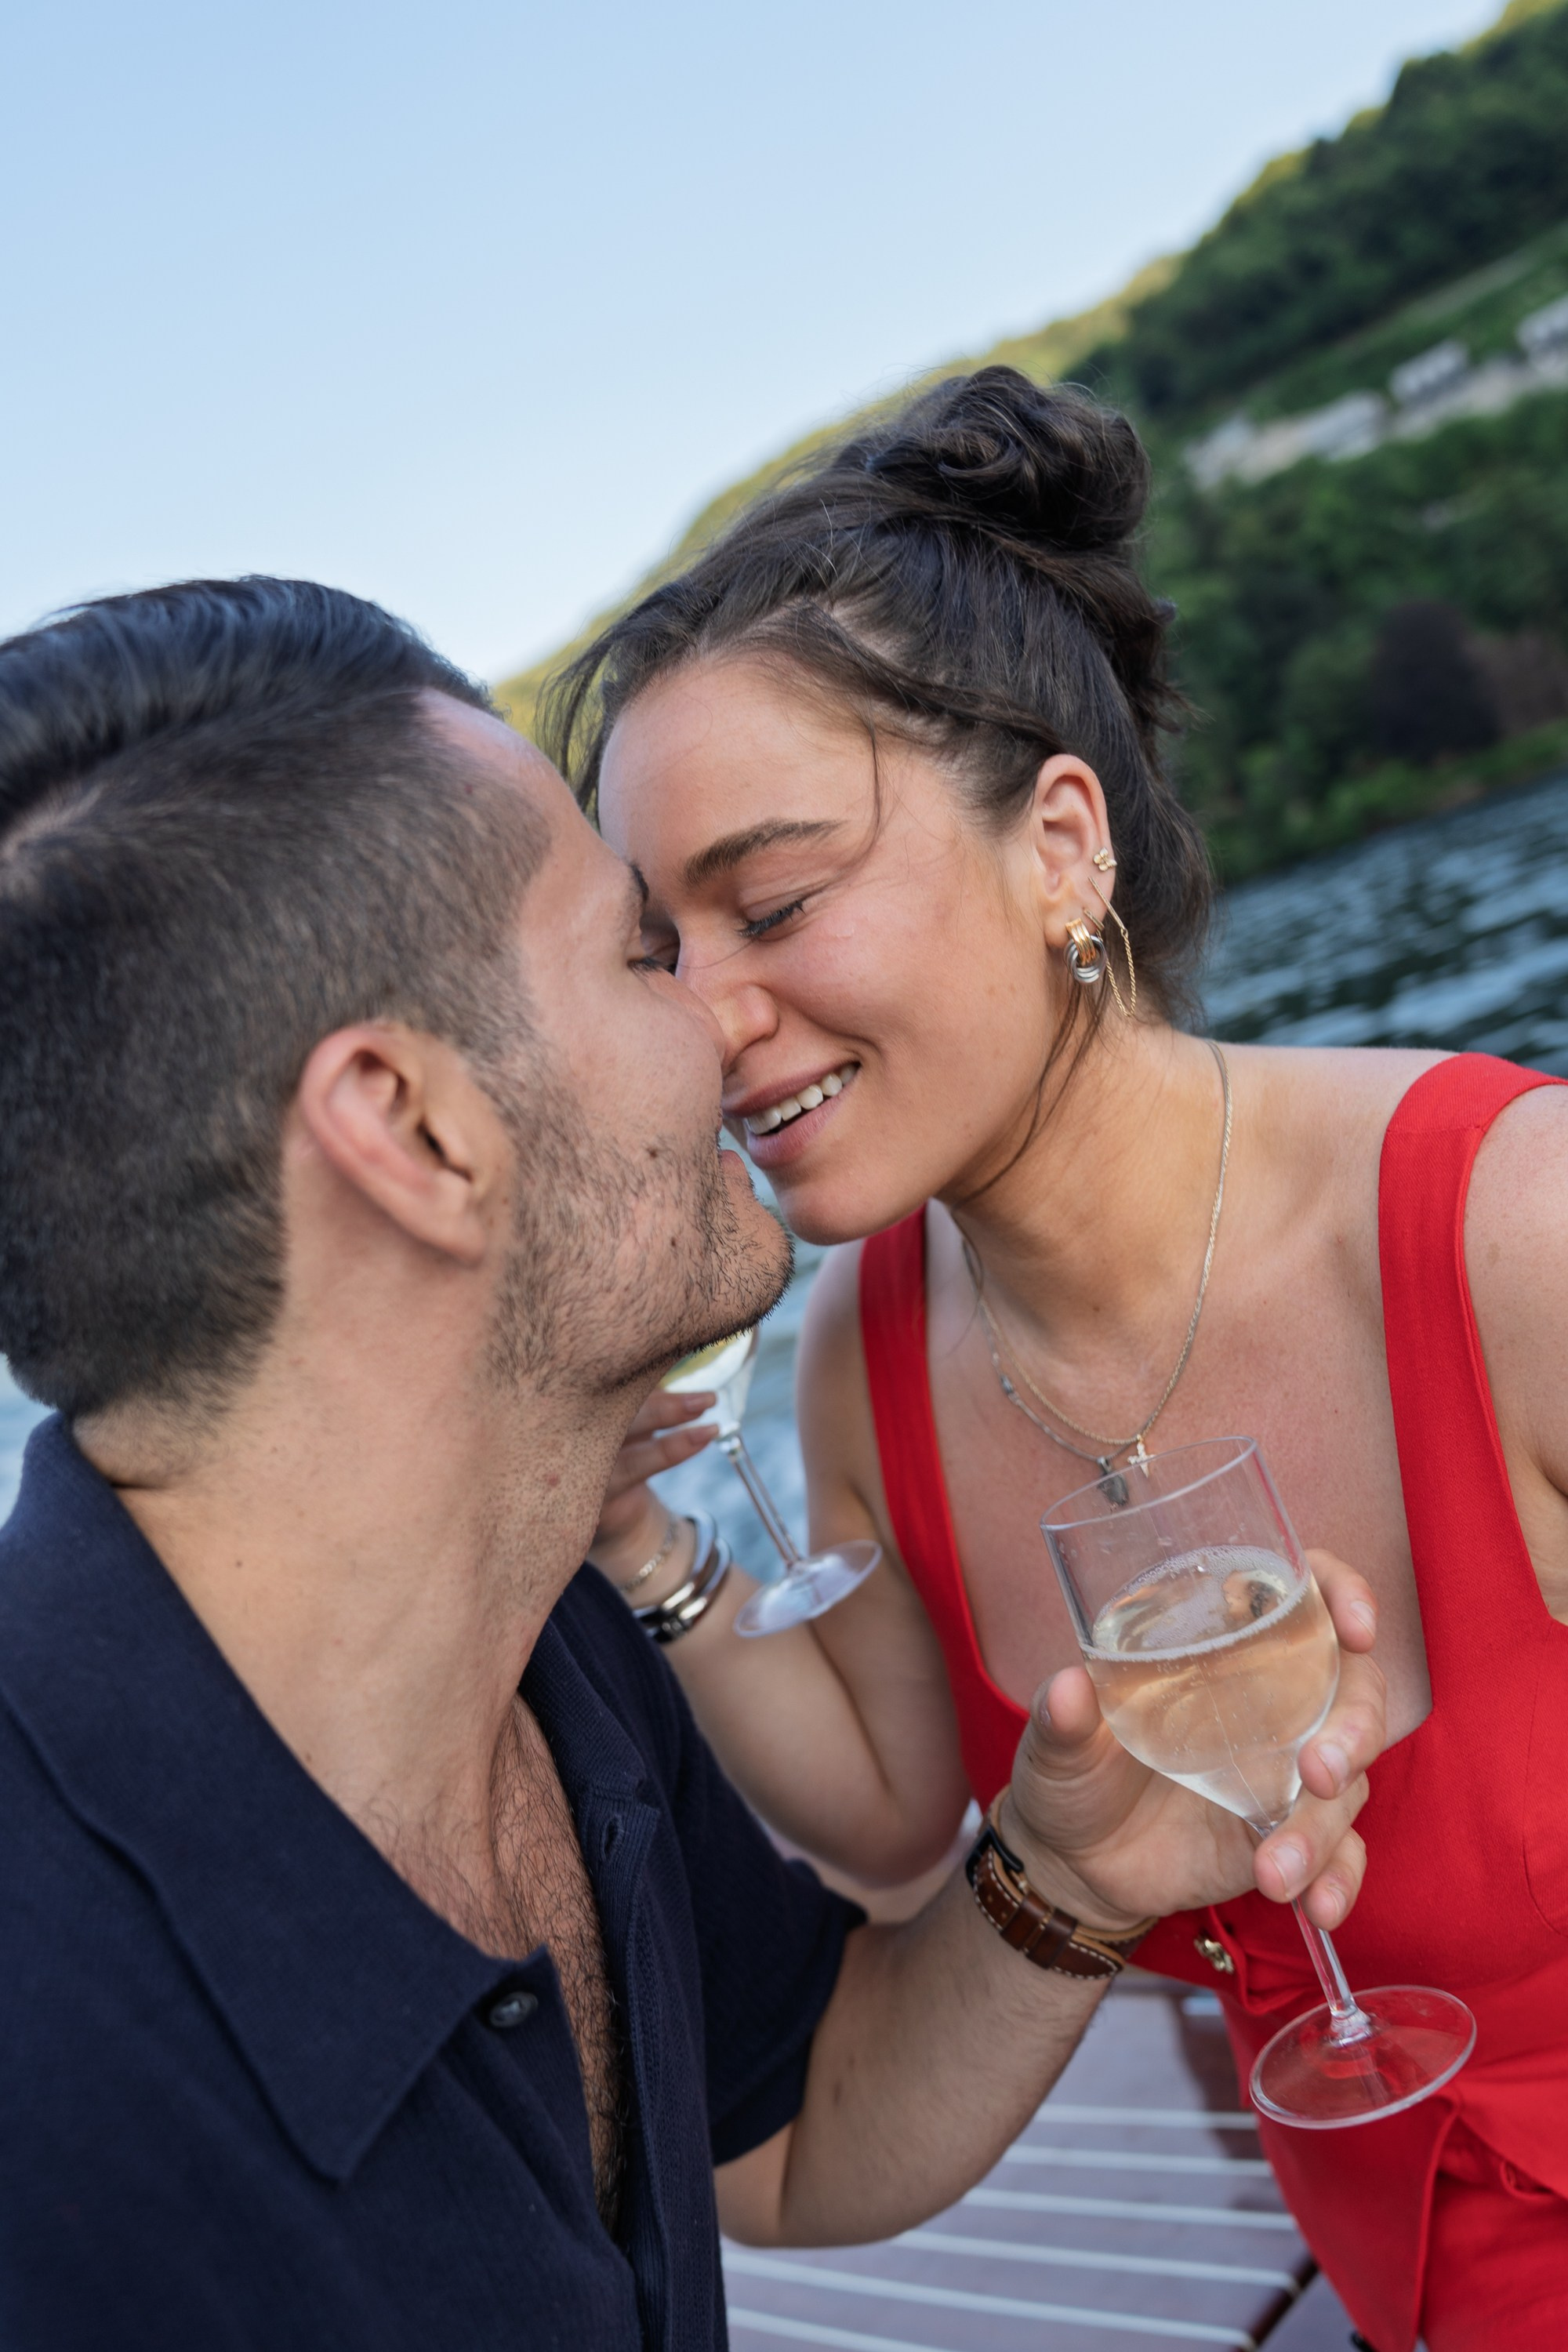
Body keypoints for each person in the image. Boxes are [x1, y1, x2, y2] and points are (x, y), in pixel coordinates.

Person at [0, 578, 1381, 2352]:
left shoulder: (543, 1638)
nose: (721, 1027)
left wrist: (1074, 1873)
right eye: (642, 954)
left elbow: (794, 2123)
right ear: (416, 1132)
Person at [556, 367, 1568, 2352]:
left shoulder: (1509, 1231)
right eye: (658, 957)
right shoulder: (865, 1353)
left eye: (771, 901)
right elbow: (878, 1807)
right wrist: (629, 1534)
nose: (705, 1021)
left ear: (1061, 847)